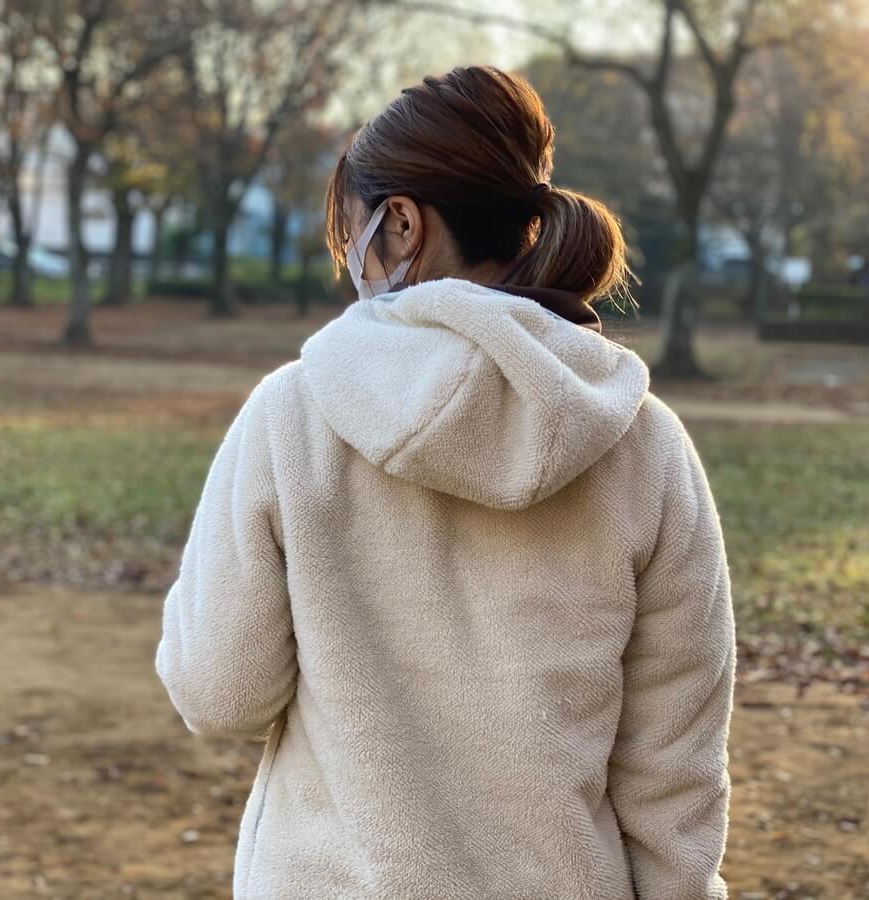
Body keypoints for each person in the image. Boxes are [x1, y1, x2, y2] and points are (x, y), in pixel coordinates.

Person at [155, 65, 736, 899]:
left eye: (349, 235)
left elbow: (222, 694)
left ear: (399, 225)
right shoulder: (646, 443)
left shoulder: (291, 415)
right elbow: (676, 768)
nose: (349, 261)